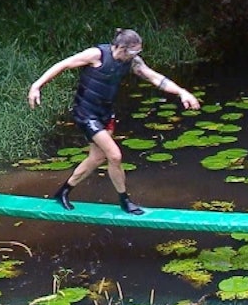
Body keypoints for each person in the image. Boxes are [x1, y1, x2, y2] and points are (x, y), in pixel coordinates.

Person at [27, 28, 200, 214]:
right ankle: (125, 201)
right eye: (133, 51)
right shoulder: (96, 55)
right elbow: (64, 64)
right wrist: (37, 85)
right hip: (86, 113)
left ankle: (63, 192)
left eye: (138, 52)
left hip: (104, 114)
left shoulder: (132, 62)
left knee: (97, 157)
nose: (136, 55)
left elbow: (155, 78)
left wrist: (182, 92)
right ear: (120, 47)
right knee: (115, 155)